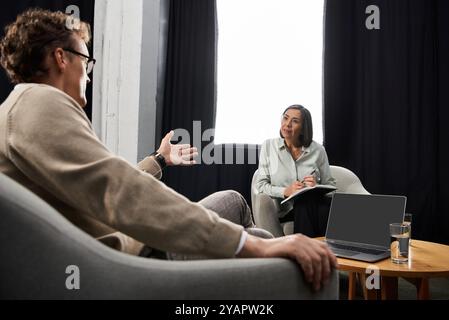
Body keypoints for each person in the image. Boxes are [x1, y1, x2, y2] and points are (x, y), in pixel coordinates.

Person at [0, 9, 337, 291]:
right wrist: (256, 246)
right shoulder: (40, 102)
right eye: (86, 60)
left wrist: (160, 159)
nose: (88, 73)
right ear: (61, 57)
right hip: (135, 254)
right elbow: (121, 191)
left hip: (125, 245)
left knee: (246, 220)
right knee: (258, 232)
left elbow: (99, 181)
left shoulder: (23, 109)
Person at [256, 105, 337, 237]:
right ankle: (313, 253)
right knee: (303, 202)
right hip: (287, 210)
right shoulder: (269, 146)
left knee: (319, 203)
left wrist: (316, 186)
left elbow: (332, 187)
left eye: (294, 121)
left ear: (304, 128)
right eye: (285, 118)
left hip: (315, 206)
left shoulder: (318, 150)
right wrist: (285, 191)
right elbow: (260, 186)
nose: (287, 124)